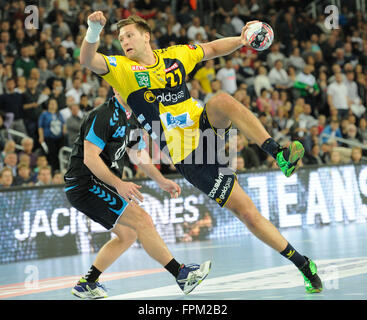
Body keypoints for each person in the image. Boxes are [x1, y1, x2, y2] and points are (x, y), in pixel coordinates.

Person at [80, 12, 322, 293]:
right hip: (192, 157)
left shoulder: (174, 56)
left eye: (130, 35)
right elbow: (87, 60)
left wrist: (242, 40)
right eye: (121, 39)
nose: (125, 42)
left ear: (146, 36)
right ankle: (304, 265)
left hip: (204, 127)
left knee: (221, 99)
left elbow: (211, 49)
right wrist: (94, 30)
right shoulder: (122, 69)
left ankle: (278, 153)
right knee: (249, 215)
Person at [64, 89, 210, 299]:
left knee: (128, 234)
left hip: (99, 183)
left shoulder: (134, 118)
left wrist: (161, 181)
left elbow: (137, 153)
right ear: (116, 87)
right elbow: (90, 158)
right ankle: (182, 274)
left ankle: (87, 283)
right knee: (143, 220)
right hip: (84, 183)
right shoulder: (103, 114)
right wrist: (118, 183)